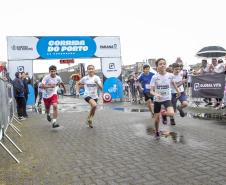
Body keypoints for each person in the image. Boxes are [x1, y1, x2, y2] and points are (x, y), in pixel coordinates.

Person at [150, 58, 180, 138]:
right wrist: (156, 94)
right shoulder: (154, 77)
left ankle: (163, 114)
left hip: (167, 98)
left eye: (164, 63)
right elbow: (151, 91)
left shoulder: (170, 75)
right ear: (157, 67)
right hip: (158, 100)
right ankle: (157, 131)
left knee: (171, 113)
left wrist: (178, 91)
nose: (163, 65)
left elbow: (173, 84)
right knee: (156, 120)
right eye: (160, 64)